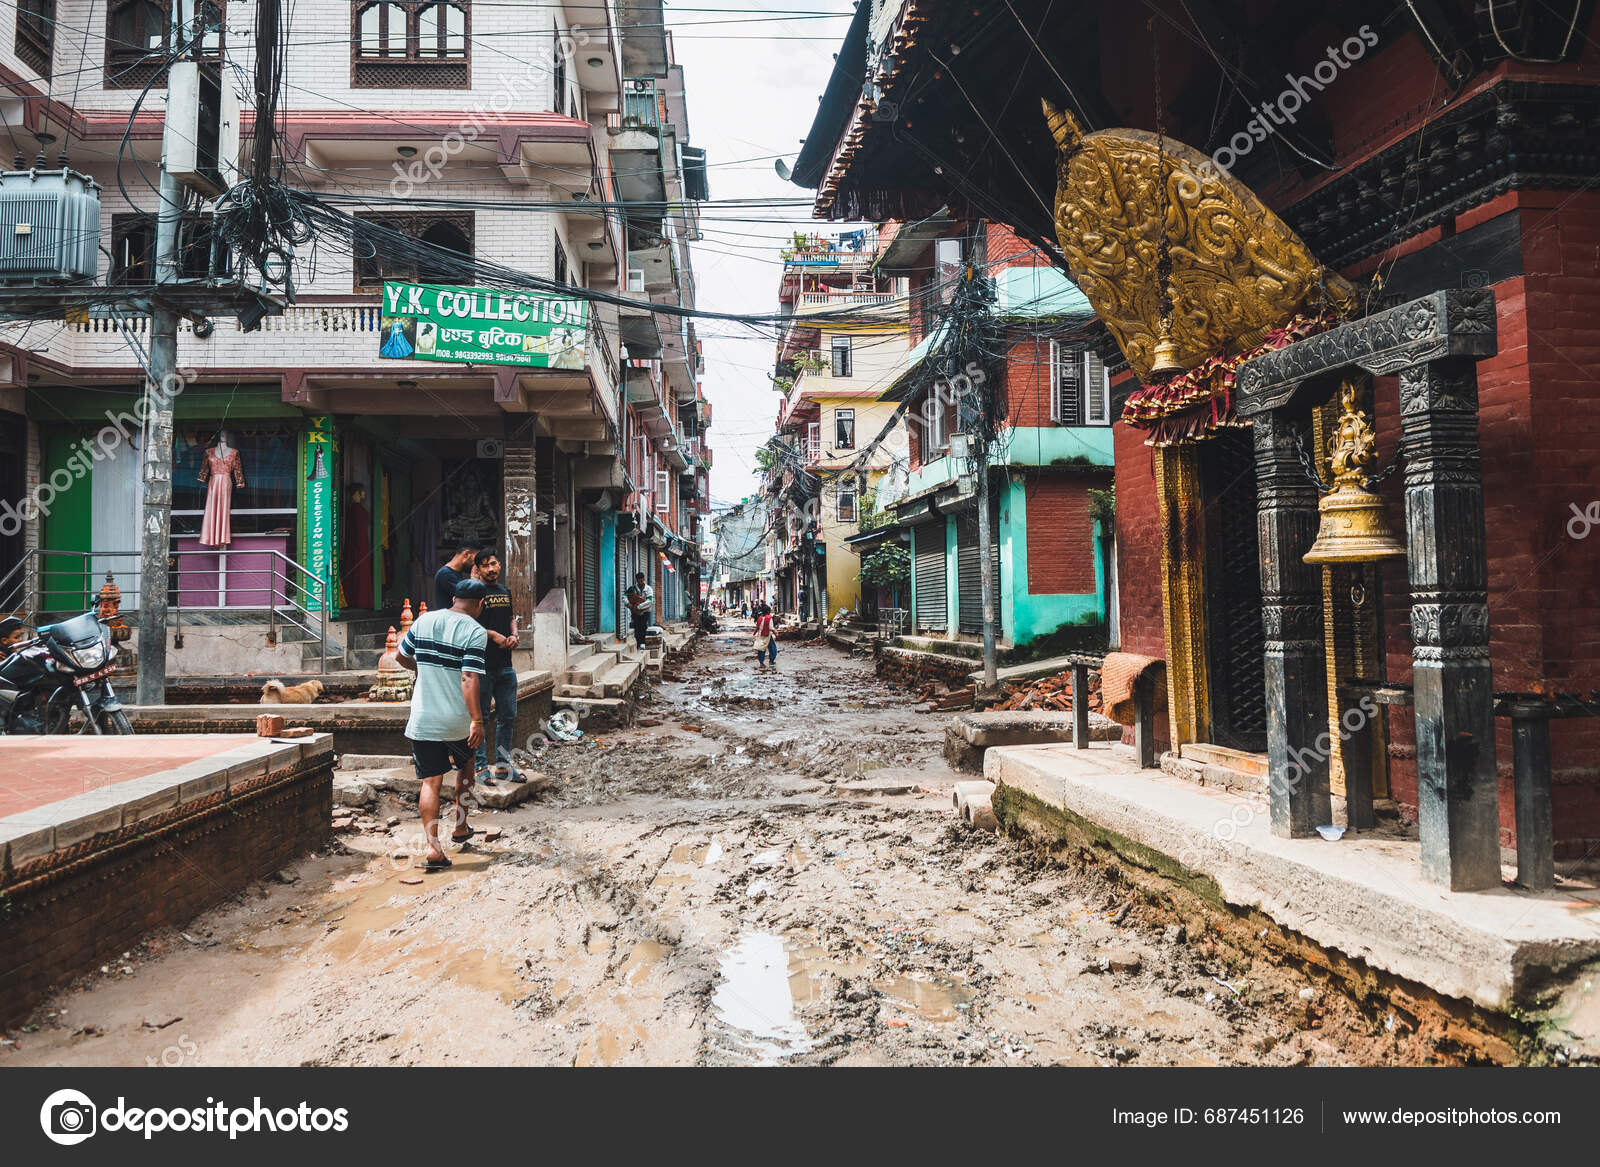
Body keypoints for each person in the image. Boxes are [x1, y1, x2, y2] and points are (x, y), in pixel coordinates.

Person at [397, 578, 489, 871]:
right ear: (479, 604)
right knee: (467, 766)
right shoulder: (475, 631)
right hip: (457, 721)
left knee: (430, 782)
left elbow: (401, 656)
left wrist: (422, 669)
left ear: (453, 599)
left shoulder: (424, 621)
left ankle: (432, 847)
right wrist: (477, 720)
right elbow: (469, 677)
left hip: (424, 718)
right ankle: (460, 826)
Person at [470, 550, 523, 786]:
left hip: (505, 665)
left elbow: (511, 617)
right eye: (485, 566)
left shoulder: (504, 591)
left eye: (493, 563)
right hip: (482, 666)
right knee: (480, 718)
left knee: (508, 716)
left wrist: (514, 634)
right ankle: (480, 767)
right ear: (478, 569)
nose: (491, 569)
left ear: (499, 564)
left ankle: (502, 766)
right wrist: (493, 635)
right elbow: (469, 626)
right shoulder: (475, 594)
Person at [434, 539, 484, 611]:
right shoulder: (445, 574)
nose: (476, 564)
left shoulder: (455, 573)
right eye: (476, 559)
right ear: (466, 554)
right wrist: (474, 579)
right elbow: (469, 598)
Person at [624, 571, 654, 650]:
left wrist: (639, 606)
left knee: (643, 626)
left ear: (644, 579)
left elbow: (650, 601)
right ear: (636, 580)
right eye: (639, 580)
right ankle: (638, 643)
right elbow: (625, 597)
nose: (641, 582)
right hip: (635, 611)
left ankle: (642, 643)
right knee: (637, 627)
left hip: (645, 611)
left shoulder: (649, 589)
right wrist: (628, 604)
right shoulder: (632, 589)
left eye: (642, 580)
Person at [753, 603, 777, 668]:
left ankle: (761, 663)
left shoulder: (760, 618)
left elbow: (757, 627)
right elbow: (771, 628)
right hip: (767, 635)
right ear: (768, 611)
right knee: (772, 648)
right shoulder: (769, 618)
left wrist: (755, 633)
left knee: (761, 649)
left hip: (760, 635)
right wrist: (775, 633)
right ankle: (771, 660)